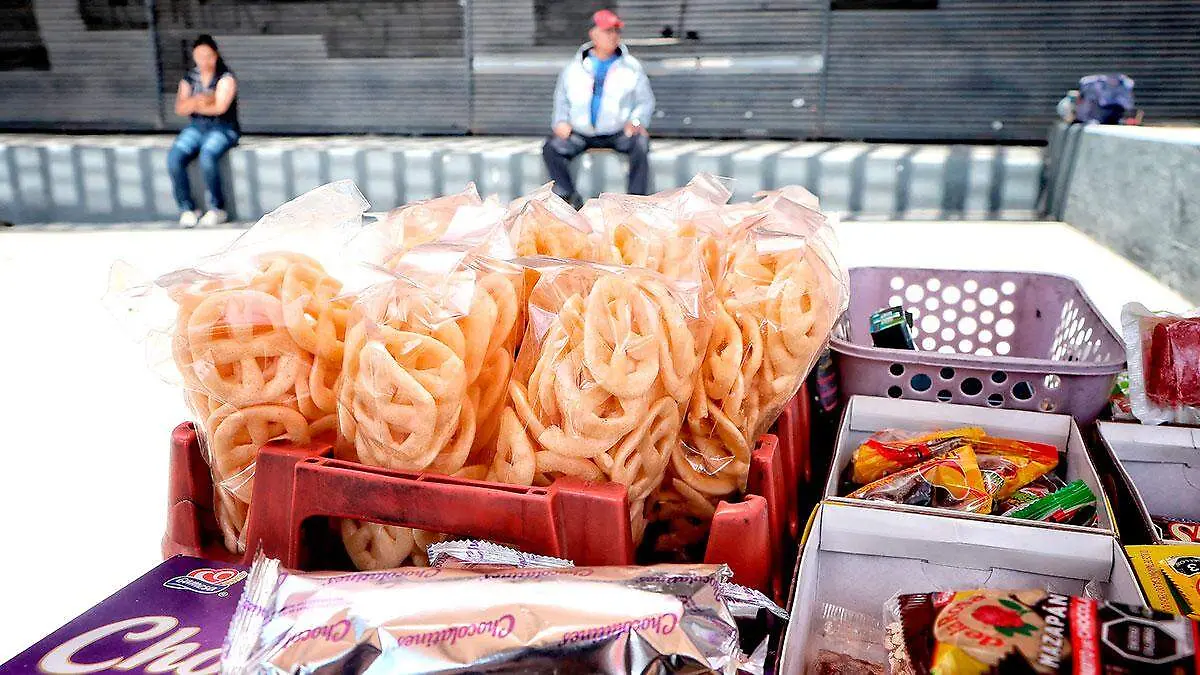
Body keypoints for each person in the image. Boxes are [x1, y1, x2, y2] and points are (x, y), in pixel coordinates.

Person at [542, 9, 655, 207]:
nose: (614, 36)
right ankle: (568, 196)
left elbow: (645, 100)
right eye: (608, 31)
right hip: (581, 133)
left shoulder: (631, 66)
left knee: (640, 144)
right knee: (551, 148)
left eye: (616, 31)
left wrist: (636, 121)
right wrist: (560, 121)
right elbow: (561, 98)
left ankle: (635, 201)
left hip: (618, 133)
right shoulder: (574, 67)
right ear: (593, 34)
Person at [168, 34, 240, 228]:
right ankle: (187, 208)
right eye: (199, 56)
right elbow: (180, 107)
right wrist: (201, 101)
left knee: (207, 155)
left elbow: (220, 107)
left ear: (215, 55)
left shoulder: (225, 77)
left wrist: (195, 104)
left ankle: (217, 208)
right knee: (175, 157)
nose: (204, 61)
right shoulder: (189, 78)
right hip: (196, 127)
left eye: (207, 56)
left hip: (223, 127)